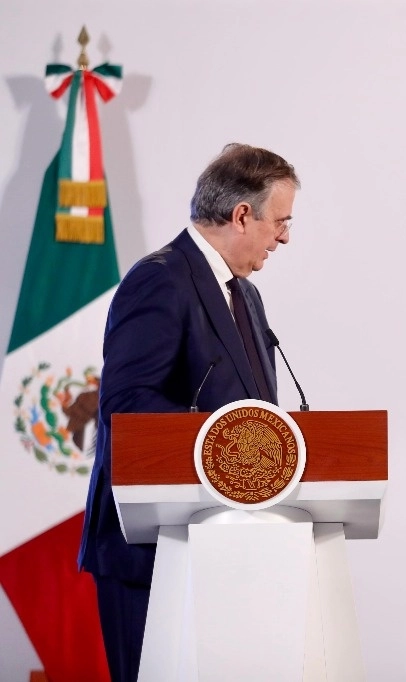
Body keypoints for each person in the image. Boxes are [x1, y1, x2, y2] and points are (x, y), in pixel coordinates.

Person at [78, 143, 299, 682]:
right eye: (281, 222)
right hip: (152, 553)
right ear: (242, 215)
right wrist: (234, 441)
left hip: (226, 548)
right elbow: (127, 407)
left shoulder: (246, 295)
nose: (285, 237)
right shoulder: (159, 278)